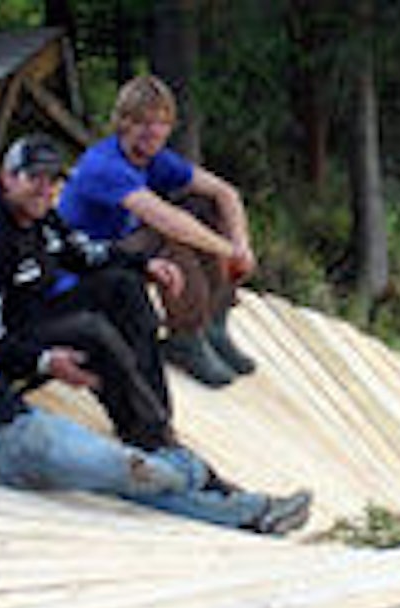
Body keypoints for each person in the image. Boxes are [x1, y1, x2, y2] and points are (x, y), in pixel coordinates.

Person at [0, 204, 312, 535]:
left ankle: (252, 515)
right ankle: (208, 482)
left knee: (129, 478)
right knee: (140, 471)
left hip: (21, 419)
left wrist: (45, 362)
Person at [0, 134, 182, 451]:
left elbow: (82, 253)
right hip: (3, 344)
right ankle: (152, 439)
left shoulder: (40, 216)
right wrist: (42, 361)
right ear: (7, 177)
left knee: (124, 286)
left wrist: (144, 265)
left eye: (53, 181)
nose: (46, 189)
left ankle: (157, 419)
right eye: (35, 178)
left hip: (33, 313)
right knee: (92, 332)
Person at [58, 74, 258, 387]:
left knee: (204, 206)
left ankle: (214, 323)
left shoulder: (155, 159)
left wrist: (241, 245)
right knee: (171, 236)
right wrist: (227, 250)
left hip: (124, 245)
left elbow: (225, 193)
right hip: (84, 260)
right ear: (123, 122)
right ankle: (185, 336)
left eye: (162, 123)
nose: (154, 131)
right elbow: (167, 220)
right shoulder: (104, 165)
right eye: (144, 122)